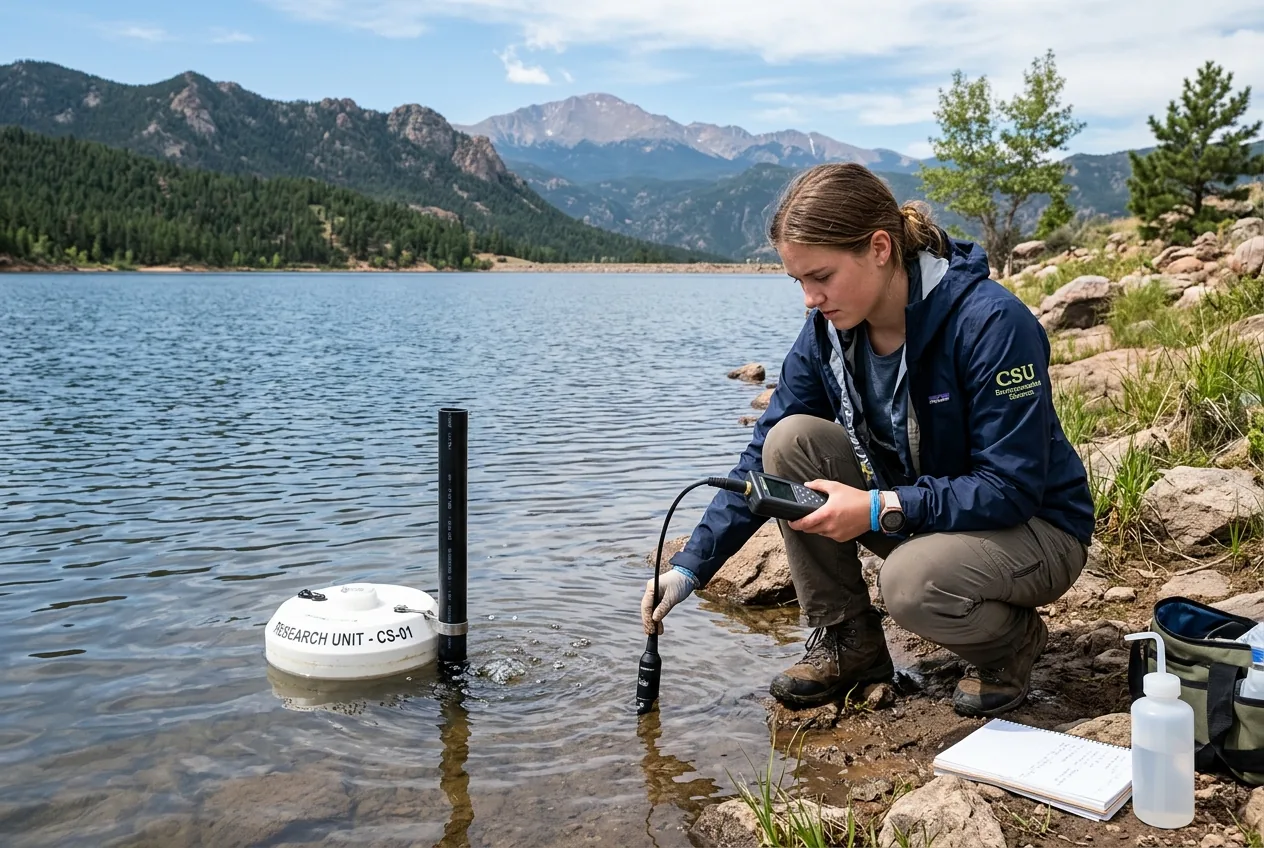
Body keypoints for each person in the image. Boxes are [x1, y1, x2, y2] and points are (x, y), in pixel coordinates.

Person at [641, 163, 1095, 718]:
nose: (810, 298)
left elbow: (1013, 487)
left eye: (822, 277)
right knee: (790, 442)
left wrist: (879, 508)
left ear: (880, 248)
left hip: (1035, 529)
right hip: (928, 514)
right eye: (798, 282)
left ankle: (1012, 646)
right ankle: (849, 644)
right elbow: (761, 459)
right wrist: (690, 568)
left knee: (909, 585)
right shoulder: (828, 332)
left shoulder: (992, 324)